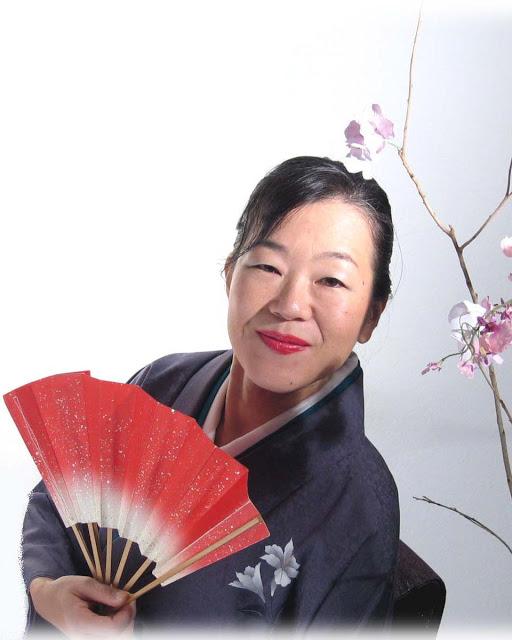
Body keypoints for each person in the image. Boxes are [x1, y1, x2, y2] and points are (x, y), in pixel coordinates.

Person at [22, 155, 399, 636]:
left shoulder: (358, 505)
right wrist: (47, 587)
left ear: (372, 315)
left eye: (331, 280)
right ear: (229, 273)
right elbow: (58, 497)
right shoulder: (163, 384)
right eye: (268, 265)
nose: (289, 305)